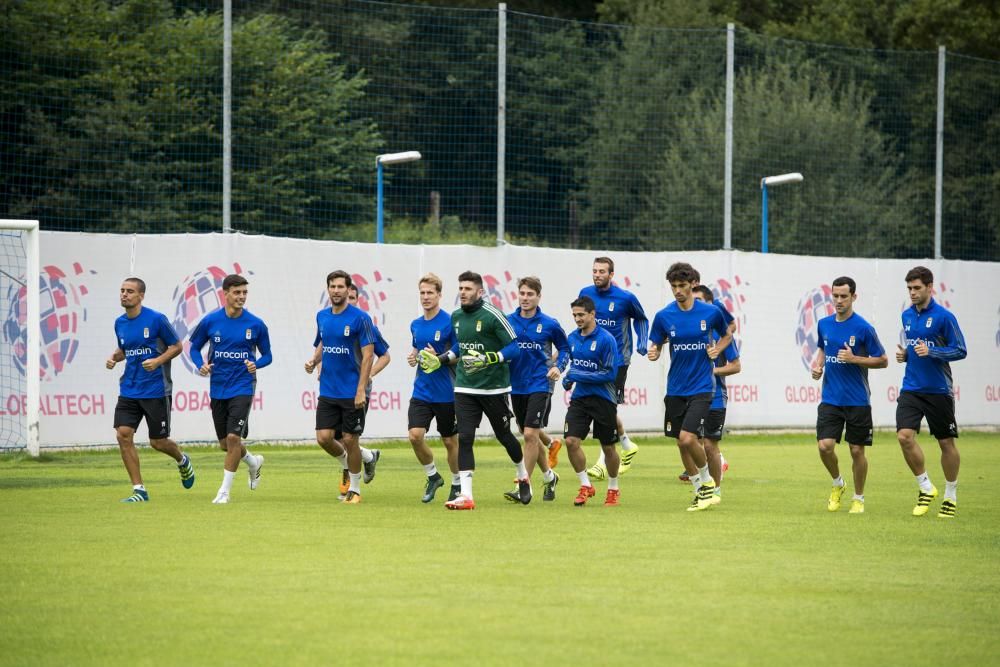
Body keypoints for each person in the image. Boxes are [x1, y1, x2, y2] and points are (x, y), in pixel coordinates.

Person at [418, 270, 523, 510]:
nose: (463, 293)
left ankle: (522, 474)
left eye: (467, 289)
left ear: (480, 291)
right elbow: (460, 348)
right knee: (464, 438)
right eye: (461, 288)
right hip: (465, 386)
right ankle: (466, 495)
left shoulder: (493, 315)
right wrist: (442, 359)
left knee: (504, 436)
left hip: (493, 388)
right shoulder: (455, 317)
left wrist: (490, 358)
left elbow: (515, 348)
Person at [648, 262, 730, 512]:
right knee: (679, 442)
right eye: (673, 286)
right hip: (675, 389)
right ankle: (699, 490)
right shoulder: (664, 316)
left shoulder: (710, 313)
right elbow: (657, 341)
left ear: (693, 284)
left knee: (687, 438)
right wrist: (655, 350)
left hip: (703, 387)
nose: (677, 291)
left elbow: (727, 335)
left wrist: (719, 348)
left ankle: (707, 482)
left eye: (682, 286)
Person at [107, 277, 194, 502]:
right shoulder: (120, 323)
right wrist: (114, 358)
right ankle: (139, 490)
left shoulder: (156, 320)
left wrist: (157, 362)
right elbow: (125, 349)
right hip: (129, 388)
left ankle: (182, 460)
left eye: (129, 291)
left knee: (158, 442)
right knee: (123, 435)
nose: (124, 294)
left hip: (156, 389)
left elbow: (177, 346)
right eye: (122, 290)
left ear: (141, 296)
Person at [189, 274, 271, 504]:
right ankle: (253, 462)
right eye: (237, 292)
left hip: (243, 386)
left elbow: (268, 355)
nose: (241, 297)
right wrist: (200, 365)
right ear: (224, 294)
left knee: (234, 438)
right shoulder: (211, 321)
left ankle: (224, 491)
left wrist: (256, 364)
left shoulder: (255, 324)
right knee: (225, 444)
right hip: (218, 388)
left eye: (245, 292)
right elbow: (194, 348)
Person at [810, 276, 887, 514]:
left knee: (856, 451)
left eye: (844, 296)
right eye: (836, 296)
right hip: (831, 398)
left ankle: (859, 497)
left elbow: (882, 360)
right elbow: (823, 348)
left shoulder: (864, 328)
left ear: (854, 297)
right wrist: (818, 365)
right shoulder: (824, 323)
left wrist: (855, 359)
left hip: (857, 400)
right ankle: (837, 483)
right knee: (825, 446)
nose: (839, 300)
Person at [894, 266, 967, 518]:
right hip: (911, 388)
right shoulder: (906, 316)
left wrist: (934, 351)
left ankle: (950, 494)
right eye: (909, 288)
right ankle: (925, 486)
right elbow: (911, 346)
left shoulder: (944, 317)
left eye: (916, 288)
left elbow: (960, 350)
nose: (912, 293)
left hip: (938, 390)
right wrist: (905, 355)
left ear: (929, 287)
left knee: (945, 443)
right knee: (904, 436)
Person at [305, 270, 376, 504]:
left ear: (348, 290)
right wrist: (314, 360)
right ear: (328, 289)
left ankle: (354, 489)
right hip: (328, 390)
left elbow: (368, 356)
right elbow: (324, 342)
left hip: (351, 391)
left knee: (350, 439)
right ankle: (361, 461)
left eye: (340, 287)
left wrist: (360, 389)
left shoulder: (360, 318)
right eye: (332, 287)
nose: (336, 291)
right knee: (324, 438)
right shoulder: (322, 316)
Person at [578, 256, 648, 480]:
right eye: (595, 271)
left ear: (611, 274)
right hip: (592, 361)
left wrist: (643, 341)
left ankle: (601, 463)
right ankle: (627, 445)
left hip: (617, 362)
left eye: (602, 271)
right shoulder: (585, 293)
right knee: (605, 407)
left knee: (607, 408)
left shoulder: (625, 298)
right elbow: (581, 322)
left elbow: (641, 319)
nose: (597, 274)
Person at [503, 276, 569, 504]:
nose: (525, 298)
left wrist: (558, 367)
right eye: (522, 293)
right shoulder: (508, 321)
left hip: (541, 384)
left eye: (530, 294)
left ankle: (525, 484)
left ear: (539, 297)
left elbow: (565, 348)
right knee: (529, 434)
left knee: (531, 434)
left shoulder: (549, 323)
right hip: (516, 385)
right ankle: (550, 476)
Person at [678, 284, 741, 504]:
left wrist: (712, 370)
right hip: (687, 395)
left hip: (714, 396)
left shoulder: (721, 335)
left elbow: (736, 366)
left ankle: (715, 489)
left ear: (710, 305)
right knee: (684, 442)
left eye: (700, 301)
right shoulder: (687, 330)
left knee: (709, 445)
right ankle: (699, 485)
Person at [324, 283, 384, 498]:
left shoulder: (363, 323)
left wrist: (368, 375)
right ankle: (367, 457)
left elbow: (384, 356)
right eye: (341, 292)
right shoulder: (328, 319)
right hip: (333, 388)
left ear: (356, 300)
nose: (345, 298)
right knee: (331, 438)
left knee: (348, 438)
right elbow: (322, 346)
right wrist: (317, 364)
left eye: (352, 296)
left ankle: (351, 483)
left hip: (357, 390)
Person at [561, 296, 622, 507]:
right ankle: (585, 485)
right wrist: (568, 379)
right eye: (574, 315)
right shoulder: (572, 338)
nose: (577, 319)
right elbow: (573, 367)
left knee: (608, 448)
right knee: (570, 441)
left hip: (604, 399)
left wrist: (578, 375)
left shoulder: (606, 339)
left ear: (592, 314)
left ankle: (613, 488)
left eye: (581, 315)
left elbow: (610, 374)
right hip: (580, 399)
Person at [407, 273, 460, 503]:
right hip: (421, 391)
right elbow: (418, 350)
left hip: (446, 392)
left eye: (430, 293)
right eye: (422, 293)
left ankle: (458, 483)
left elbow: (459, 353)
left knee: (449, 441)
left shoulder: (450, 322)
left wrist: (437, 357)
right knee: (415, 436)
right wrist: (414, 356)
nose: (426, 297)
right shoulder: (416, 325)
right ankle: (433, 476)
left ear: (439, 295)